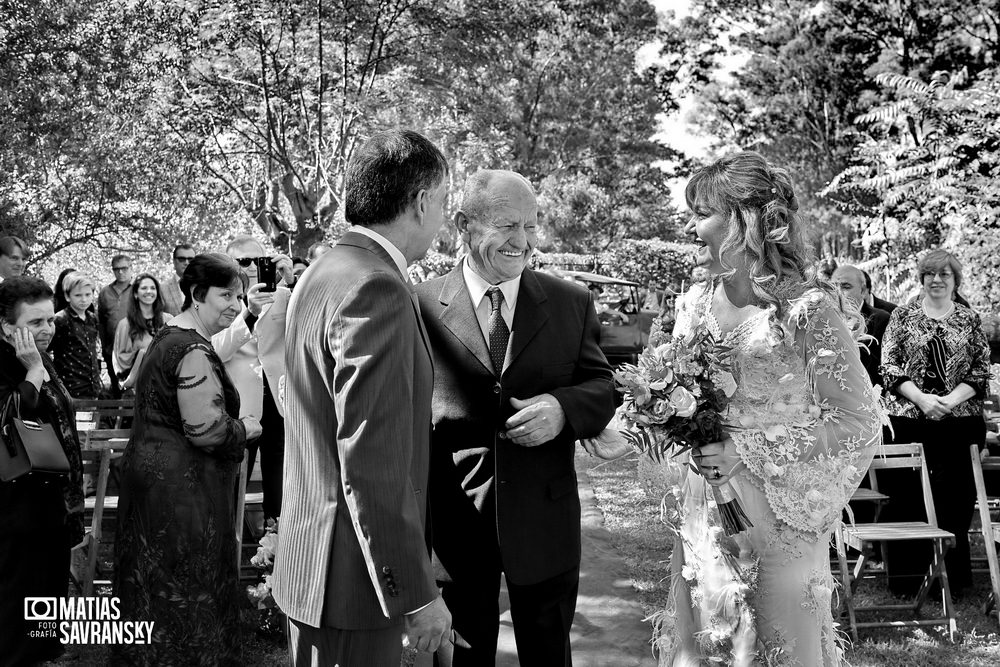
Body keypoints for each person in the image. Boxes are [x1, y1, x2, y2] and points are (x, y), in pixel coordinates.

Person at [622, 151, 881, 664]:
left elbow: (857, 422)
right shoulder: (693, 304)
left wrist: (748, 449)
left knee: (781, 648)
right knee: (711, 645)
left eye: (701, 214)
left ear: (744, 221)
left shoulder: (807, 307)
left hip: (779, 514)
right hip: (705, 511)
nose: (690, 228)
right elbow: (679, 394)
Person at [414, 169, 617, 666]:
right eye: (507, 225)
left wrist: (563, 409)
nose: (522, 241)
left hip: (546, 527)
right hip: (456, 533)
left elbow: (603, 384)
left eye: (529, 226)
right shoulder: (416, 306)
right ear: (463, 225)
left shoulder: (570, 301)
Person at [273, 129, 456, 665]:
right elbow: (371, 457)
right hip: (354, 586)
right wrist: (417, 595)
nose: (443, 219)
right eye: (444, 203)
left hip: (314, 567)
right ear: (421, 202)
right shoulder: (377, 288)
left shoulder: (323, 272)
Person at [112, 253, 262, 666]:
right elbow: (206, 429)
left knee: (153, 583)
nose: (235, 304)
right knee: (183, 587)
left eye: (240, 295)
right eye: (226, 295)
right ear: (197, 295)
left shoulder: (168, 335)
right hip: (181, 494)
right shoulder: (192, 349)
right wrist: (246, 428)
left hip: (151, 482)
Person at [879, 248, 990, 597]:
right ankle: (906, 582)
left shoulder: (969, 320)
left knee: (954, 501)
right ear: (922, 278)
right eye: (930, 274)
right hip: (909, 419)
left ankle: (951, 584)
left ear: (956, 279)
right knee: (904, 500)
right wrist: (924, 401)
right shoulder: (903, 316)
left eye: (944, 274)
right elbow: (889, 366)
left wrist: (947, 403)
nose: (937, 280)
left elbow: (981, 370)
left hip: (959, 423)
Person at [0, 277, 84, 665]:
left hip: (51, 503)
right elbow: (7, 417)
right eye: (35, 322)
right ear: (5, 327)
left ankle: (46, 654)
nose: (47, 329)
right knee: (18, 603)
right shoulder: (12, 361)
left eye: (50, 320)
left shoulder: (40, 354)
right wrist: (32, 371)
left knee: (48, 595)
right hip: (15, 509)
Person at [214, 234, 292, 521]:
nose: (249, 267)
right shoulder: (220, 300)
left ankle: (276, 552)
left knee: (280, 485)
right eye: (241, 261)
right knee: (233, 483)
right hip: (239, 405)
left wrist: (292, 281)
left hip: (279, 401)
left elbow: (309, 327)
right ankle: (229, 547)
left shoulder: (283, 295)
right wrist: (248, 311)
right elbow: (217, 351)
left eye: (255, 260)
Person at [832, 264, 890, 387]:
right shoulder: (826, 320)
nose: (837, 292)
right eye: (833, 287)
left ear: (863, 291)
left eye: (845, 287)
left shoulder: (881, 319)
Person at [49, 272, 102, 399]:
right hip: (70, 386)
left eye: (88, 294)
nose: (84, 299)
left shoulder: (93, 318)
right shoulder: (60, 320)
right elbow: (47, 349)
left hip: (92, 386)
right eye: (78, 295)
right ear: (68, 296)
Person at [113, 273, 166, 392]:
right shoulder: (125, 325)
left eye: (153, 288)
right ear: (136, 294)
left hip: (166, 388)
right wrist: (143, 354)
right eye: (144, 288)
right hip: (139, 390)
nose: (149, 291)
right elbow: (120, 361)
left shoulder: (169, 320)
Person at [97, 255, 132, 397]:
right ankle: (118, 418)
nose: (121, 272)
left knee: (134, 389)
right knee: (117, 389)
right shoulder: (105, 292)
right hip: (111, 350)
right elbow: (101, 322)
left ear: (131, 268)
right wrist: (105, 348)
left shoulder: (139, 290)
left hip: (134, 351)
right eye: (117, 269)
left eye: (124, 268)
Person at [161, 243, 196, 316]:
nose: (186, 263)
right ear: (174, 261)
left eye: (191, 259)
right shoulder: (162, 289)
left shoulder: (204, 286)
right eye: (181, 259)